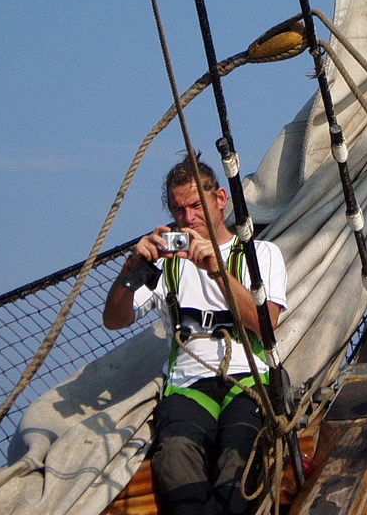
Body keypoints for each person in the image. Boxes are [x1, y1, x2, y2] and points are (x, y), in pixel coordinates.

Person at [104, 155, 288, 515]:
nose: (188, 219)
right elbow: (114, 319)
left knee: (242, 453)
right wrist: (131, 270)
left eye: (195, 206)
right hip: (189, 385)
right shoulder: (165, 265)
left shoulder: (260, 255)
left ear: (220, 198)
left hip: (246, 379)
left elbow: (265, 325)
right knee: (174, 460)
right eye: (178, 209)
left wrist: (217, 272)